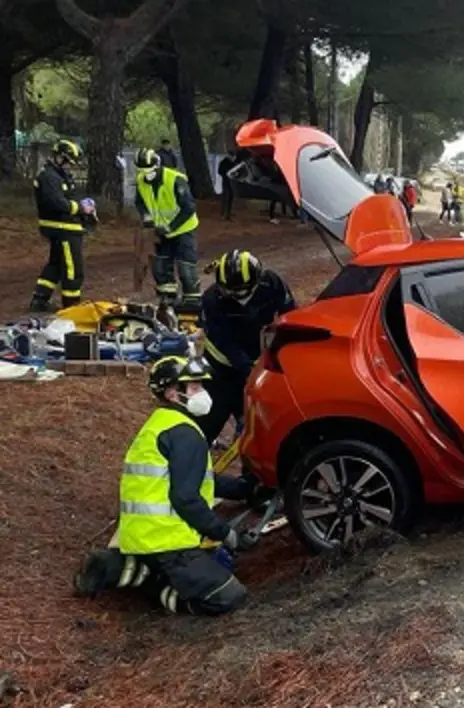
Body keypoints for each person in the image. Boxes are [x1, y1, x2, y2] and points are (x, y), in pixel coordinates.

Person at [72, 356, 257, 616]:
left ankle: (117, 565)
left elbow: (192, 478)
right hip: (169, 544)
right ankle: (157, 586)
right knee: (228, 596)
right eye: (194, 388)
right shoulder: (186, 434)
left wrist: (242, 489)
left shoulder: (158, 427)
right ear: (172, 393)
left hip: (138, 537)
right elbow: (186, 498)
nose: (202, 394)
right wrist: (226, 534)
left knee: (168, 563)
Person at [198, 249, 296, 441]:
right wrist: (247, 367)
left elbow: (289, 315)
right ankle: (199, 451)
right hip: (221, 362)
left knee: (254, 414)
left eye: (239, 290)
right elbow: (223, 341)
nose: (234, 295)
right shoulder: (212, 300)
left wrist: (283, 351)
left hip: (255, 351)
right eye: (229, 291)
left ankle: (246, 440)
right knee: (213, 413)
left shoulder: (272, 283)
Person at [134, 148, 202, 313]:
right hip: (161, 232)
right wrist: (148, 220)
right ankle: (168, 301)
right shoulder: (141, 180)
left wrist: (171, 226)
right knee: (161, 268)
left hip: (183, 230)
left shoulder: (175, 180)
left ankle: (192, 304)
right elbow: (140, 202)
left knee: (186, 269)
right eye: (143, 171)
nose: (147, 175)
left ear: (157, 166)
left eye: (150, 171)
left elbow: (189, 207)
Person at [29, 139, 94, 312]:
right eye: (68, 162)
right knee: (73, 267)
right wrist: (80, 208)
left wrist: (85, 210)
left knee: (56, 265)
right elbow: (57, 203)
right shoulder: (49, 177)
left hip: (64, 228)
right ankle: (72, 305)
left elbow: (67, 198)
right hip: (63, 229)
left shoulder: (58, 176)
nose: (69, 166)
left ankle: (40, 299)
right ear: (59, 157)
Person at [217, 154, 237, 220]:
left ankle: (228, 214)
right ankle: (223, 213)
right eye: (233, 157)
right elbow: (220, 171)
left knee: (231, 197)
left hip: (233, 182)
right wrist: (226, 174)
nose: (233, 158)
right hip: (226, 181)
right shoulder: (224, 162)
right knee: (225, 197)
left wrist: (235, 174)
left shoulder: (235, 163)